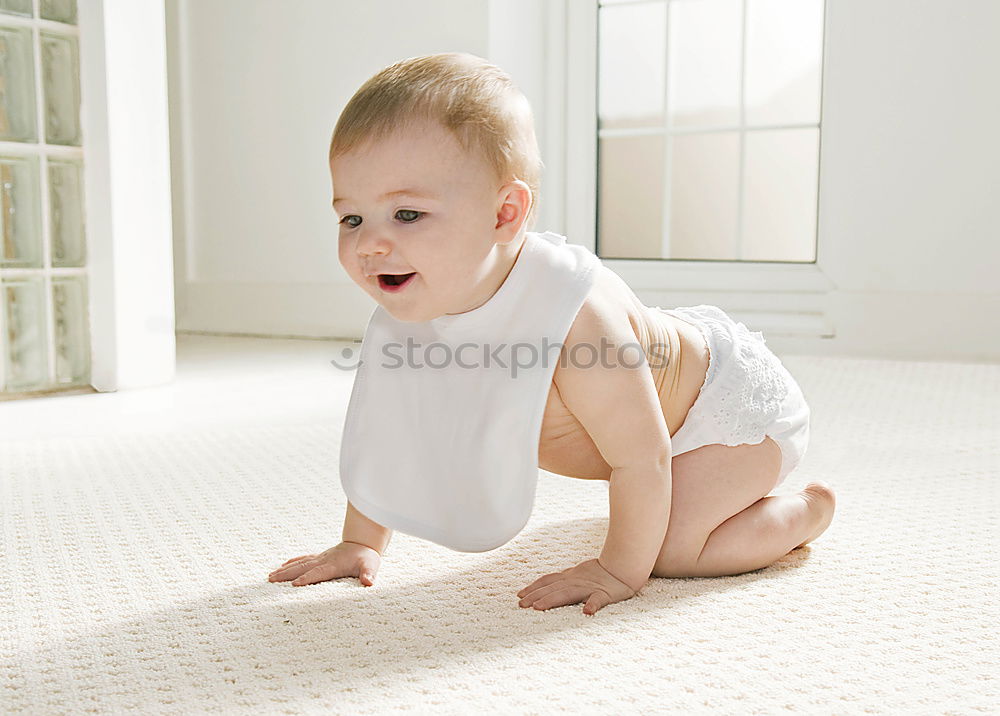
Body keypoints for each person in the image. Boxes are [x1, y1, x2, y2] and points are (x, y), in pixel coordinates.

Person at [268, 52, 835, 615]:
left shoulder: (576, 324)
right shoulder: (414, 302)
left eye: (407, 215)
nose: (370, 244)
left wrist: (618, 570)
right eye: (351, 219)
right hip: (666, 402)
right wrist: (361, 540)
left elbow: (643, 458)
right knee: (649, 520)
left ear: (505, 214)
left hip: (726, 416)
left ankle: (806, 510)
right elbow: (393, 432)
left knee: (668, 550)